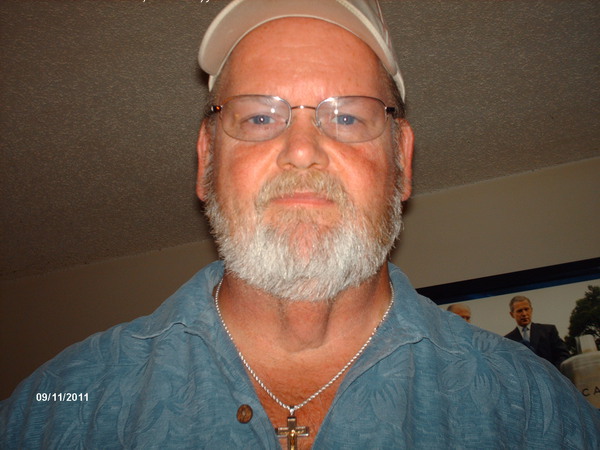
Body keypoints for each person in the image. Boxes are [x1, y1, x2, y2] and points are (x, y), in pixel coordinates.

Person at [1, 1, 598, 448]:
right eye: (260, 117)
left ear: (402, 161)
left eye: (348, 116)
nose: (303, 151)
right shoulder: (60, 406)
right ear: (207, 161)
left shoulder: (531, 409)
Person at [504, 295, 571, 368]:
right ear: (512, 314)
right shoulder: (507, 341)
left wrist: (553, 372)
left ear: (531, 310)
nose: (524, 314)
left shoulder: (548, 331)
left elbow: (563, 355)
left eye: (526, 309)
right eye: (519, 311)